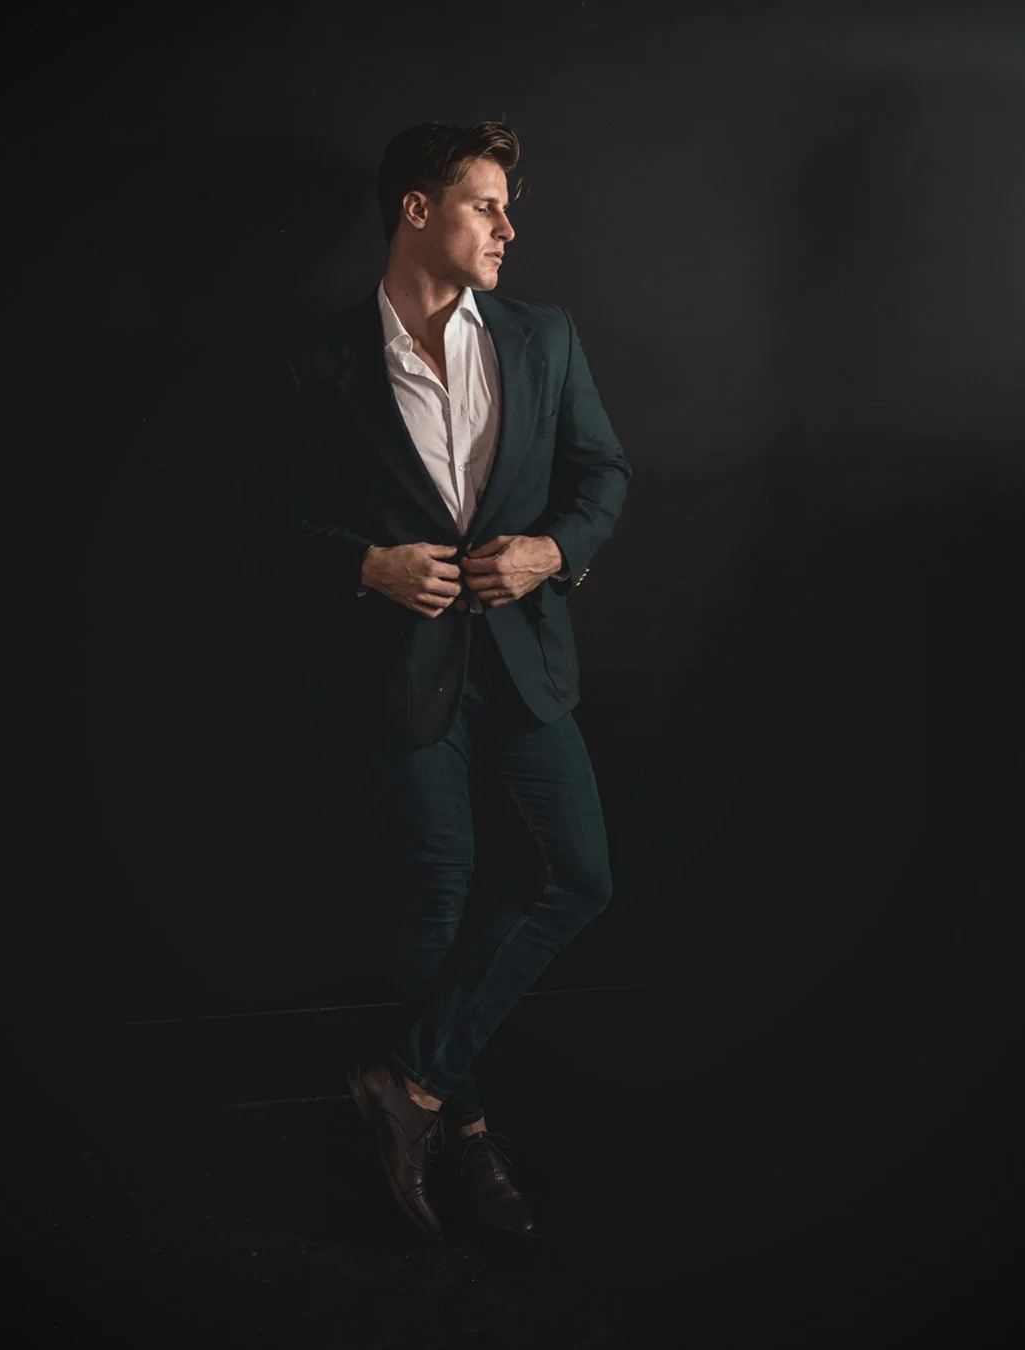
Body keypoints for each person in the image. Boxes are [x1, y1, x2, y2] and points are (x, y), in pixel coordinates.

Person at [283, 120, 631, 1241]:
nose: (508, 228)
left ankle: (413, 1086)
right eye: (487, 205)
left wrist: (553, 553)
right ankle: (468, 1141)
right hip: (400, 668)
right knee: (439, 891)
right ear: (418, 210)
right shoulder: (321, 363)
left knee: (578, 875)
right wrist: (366, 566)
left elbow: (602, 472)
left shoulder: (543, 335)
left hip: (524, 656)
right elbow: (261, 521)